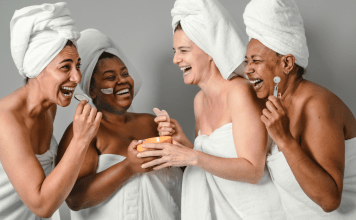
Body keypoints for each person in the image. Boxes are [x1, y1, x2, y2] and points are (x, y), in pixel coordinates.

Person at [137, 0, 286, 219]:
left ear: (209, 50)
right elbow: (208, 163)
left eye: (184, 50)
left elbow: (253, 170)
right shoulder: (200, 100)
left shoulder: (239, 92)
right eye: (175, 51)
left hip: (256, 212)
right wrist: (181, 144)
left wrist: (189, 155)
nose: (176, 59)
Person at [243, 0, 356, 219]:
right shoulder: (277, 103)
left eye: (255, 61)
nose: (248, 70)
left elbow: (330, 200)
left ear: (286, 64)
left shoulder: (317, 106)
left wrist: (284, 139)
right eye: (246, 61)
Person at [56, 29, 182, 220]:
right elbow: (74, 199)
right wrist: (128, 167)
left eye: (125, 73)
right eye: (110, 77)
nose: (122, 81)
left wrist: (178, 143)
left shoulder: (151, 122)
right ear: (92, 89)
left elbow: (183, 179)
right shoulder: (84, 131)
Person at [0, 3, 102, 220]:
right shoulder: (5, 119)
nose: (76, 78)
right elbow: (42, 206)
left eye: (78, 65)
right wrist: (81, 140)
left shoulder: (49, 106)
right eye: (65, 67)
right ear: (37, 68)